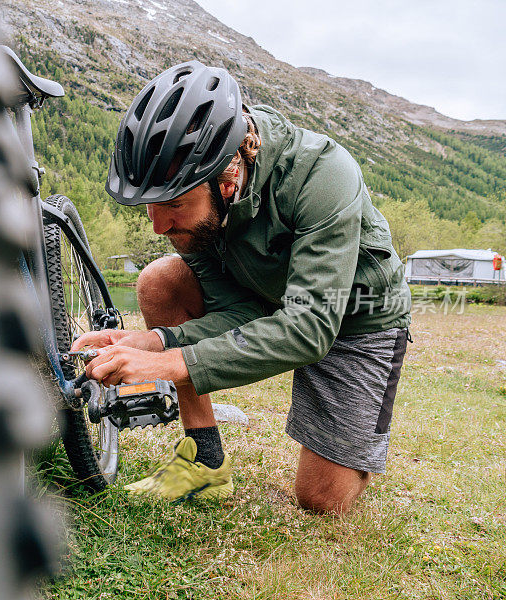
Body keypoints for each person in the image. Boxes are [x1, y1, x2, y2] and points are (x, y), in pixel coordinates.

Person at [71, 60, 412, 513]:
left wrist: (172, 360)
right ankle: (205, 462)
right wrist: (155, 341)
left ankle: (354, 443)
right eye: (150, 206)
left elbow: (308, 326)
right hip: (272, 301)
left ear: (228, 178)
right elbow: (238, 313)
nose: (157, 226)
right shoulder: (195, 209)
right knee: (160, 279)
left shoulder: (321, 175)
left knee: (322, 501)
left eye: (172, 204)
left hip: (354, 318)